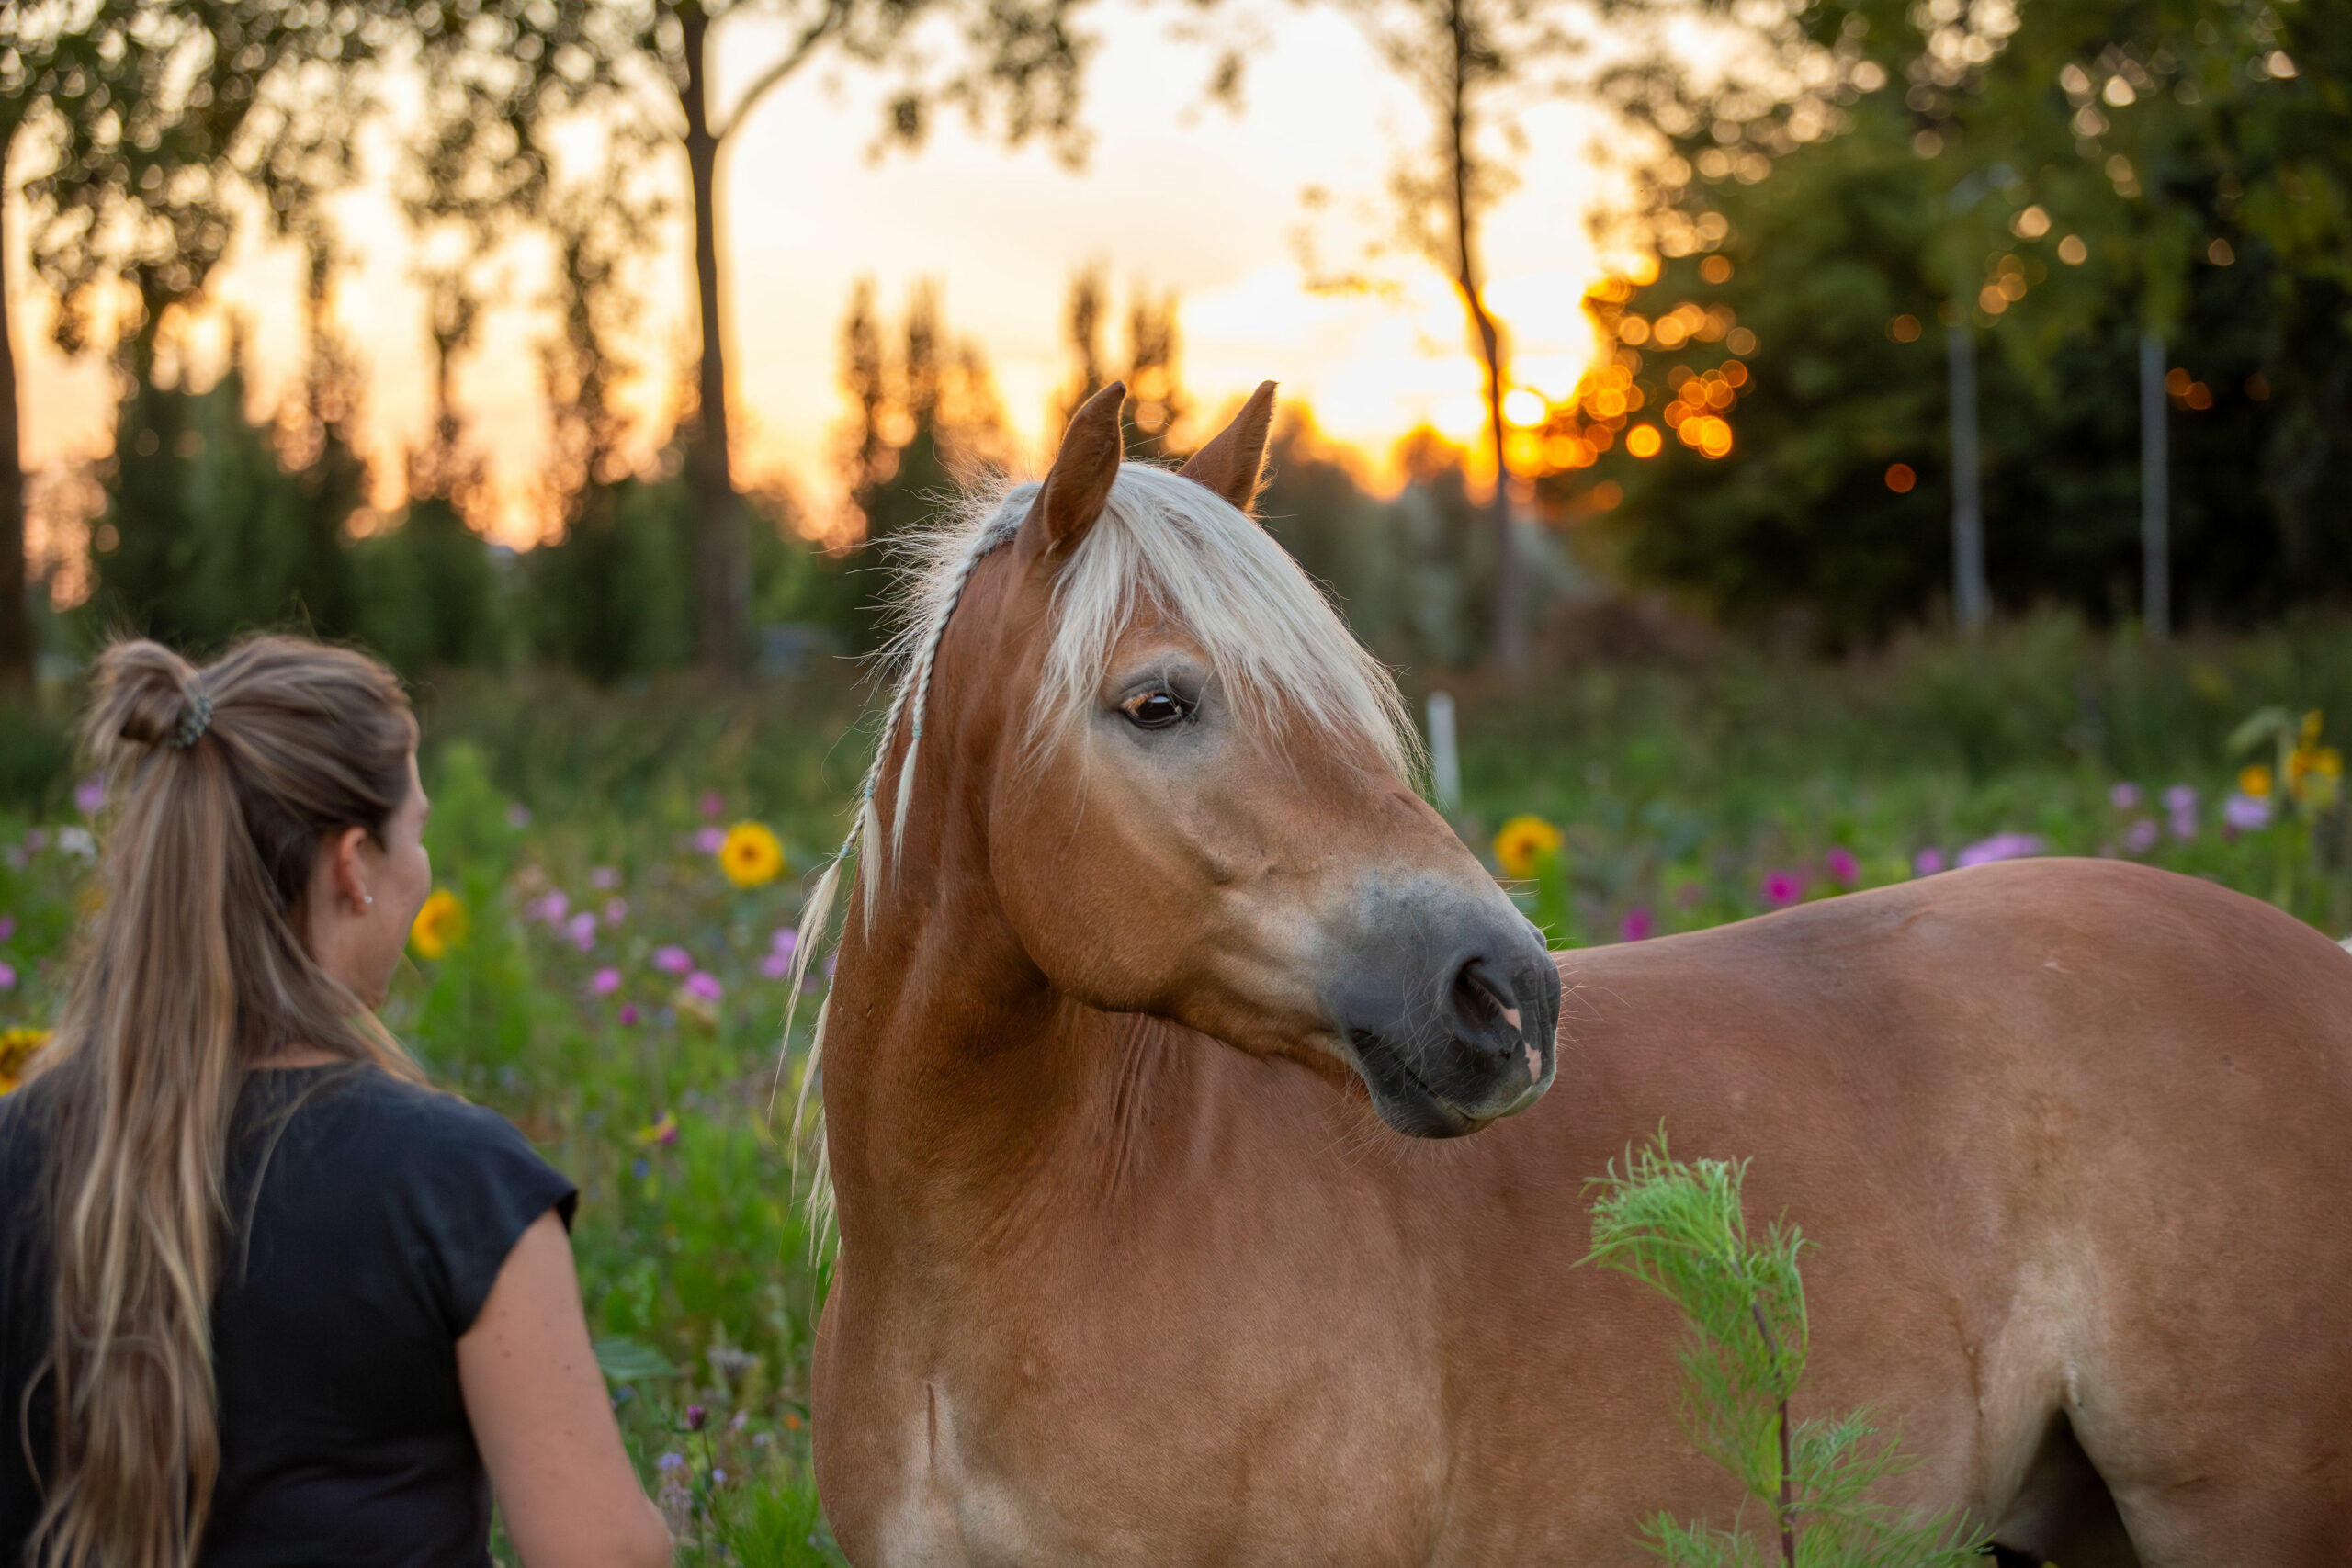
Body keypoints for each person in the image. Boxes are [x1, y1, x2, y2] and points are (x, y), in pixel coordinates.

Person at [0, 638, 672, 1568]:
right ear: (353, 863)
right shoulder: (454, 1189)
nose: (423, 865)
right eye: (418, 829)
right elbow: (604, 1555)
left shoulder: (17, 1150)